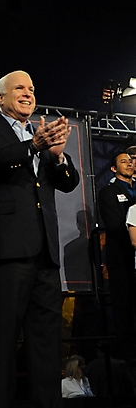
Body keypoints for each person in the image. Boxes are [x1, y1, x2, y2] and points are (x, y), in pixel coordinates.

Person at [0, 70, 80, 408]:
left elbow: (68, 182)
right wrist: (32, 145)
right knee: (2, 339)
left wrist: (58, 155)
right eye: (19, 88)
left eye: (31, 88)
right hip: (6, 250)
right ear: (0, 97)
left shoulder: (42, 137)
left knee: (45, 340)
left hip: (44, 253)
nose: (28, 93)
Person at [99, 151, 136, 361]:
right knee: (123, 306)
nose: (129, 164)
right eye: (123, 162)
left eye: (130, 161)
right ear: (113, 169)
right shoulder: (108, 192)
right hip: (122, 257)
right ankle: (128, 354)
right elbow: (114, 225)